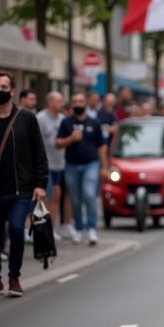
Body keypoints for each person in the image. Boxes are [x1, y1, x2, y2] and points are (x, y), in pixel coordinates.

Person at [0, 72, 48, 297]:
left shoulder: (26, 118)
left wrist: (40, 183)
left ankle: (14, 277)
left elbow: (38, 152)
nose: (0, 91)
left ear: (13, 91)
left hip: (21, 190)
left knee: (16, 229)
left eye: (4, 87)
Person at [56, 92, 108, 245]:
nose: (78, 104)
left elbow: (102, 146)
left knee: (89, 194)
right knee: (76, 199)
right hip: (71, 165)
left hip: (90, 164)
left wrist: (104, 166)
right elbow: (57, 143)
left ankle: (92, 228)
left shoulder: (94, 123)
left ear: (85, 103)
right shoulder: (66, 123)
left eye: (80, 101)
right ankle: (79, 228)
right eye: (75, 102)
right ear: (71, 105)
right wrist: (70, 139)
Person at [36, 91, 66, 240]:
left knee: (56, 197)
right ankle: (41, 229)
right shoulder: (40, 118)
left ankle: (52, 228)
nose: (62, 103)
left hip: (58, 164)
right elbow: (35, 142)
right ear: (50, 103)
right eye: (59, 100)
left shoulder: (62, 118)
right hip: (45, 165)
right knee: (45, 198)